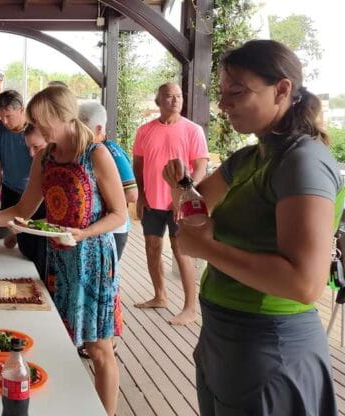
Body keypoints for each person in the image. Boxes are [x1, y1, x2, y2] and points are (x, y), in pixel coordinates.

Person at [164, 39, 340, 415]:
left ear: (282, 90)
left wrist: (205, 248)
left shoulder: (303, 161)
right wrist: (181, 186)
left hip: (269, 345)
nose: (224, 104)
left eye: (238, 92)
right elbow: (199, 208)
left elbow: (305, 284)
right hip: (223, 337)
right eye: (223, 93)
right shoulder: (250, 157)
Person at [0, 87, 126, 415]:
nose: (39, 132)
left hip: (93, 261)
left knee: (99, 349)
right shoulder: (45, 157)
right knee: (59, 341)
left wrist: (83, 232)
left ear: (65, 117)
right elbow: (23, 210)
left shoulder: (96, 154)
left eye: (44, 124)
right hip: (58, 261)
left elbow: (120, 214)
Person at [132, 82, 209, 325]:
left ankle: (190, 308)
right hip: (152, 201)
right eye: (169, 96)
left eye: (178, 96)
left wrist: (184, 195)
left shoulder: (193, 130)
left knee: (182, 251)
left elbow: (201, 167)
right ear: (158, 100)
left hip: (180, 203)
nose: (175, 100)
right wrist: (141, 195)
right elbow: (138, 166)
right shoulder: (145, 131)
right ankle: (160, 296)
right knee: (152, 247)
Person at [78, 101, 138, 355]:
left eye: (82, 128)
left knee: (107, 286)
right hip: (93, 232)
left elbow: (132, 194)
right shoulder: (83, 152)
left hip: (113, 230)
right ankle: (95, 339)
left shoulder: (109, 151)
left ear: (99, 128)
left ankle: (106, 341)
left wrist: (103, 201)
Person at [0, 90, 48, 278]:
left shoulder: (36, 132)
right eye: (1, 116)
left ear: (22, 110)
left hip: (36, 194)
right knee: (15, 241)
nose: (4, 121)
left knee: (36, 243)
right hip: (10, 190)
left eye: (8, 116)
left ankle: (38, 281)